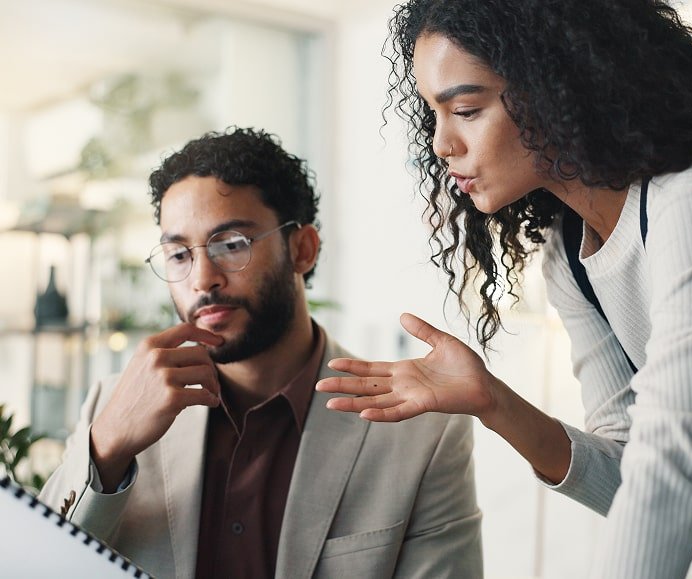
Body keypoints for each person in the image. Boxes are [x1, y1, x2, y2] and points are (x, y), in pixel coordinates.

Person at [315, 1, 692, 578]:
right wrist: (492, 401)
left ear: (559, 86)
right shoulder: (570, 252)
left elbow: (671, 475)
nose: (441, 143)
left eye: (466, 110)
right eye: (434, 113)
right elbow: (628, 481)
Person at [40, 127, 483, 579]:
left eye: (231, 245)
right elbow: (39, 567)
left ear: (302, 249)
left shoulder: (421, 434)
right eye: (178, 255)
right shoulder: (113, 408)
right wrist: (107, 447)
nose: (202, 279)